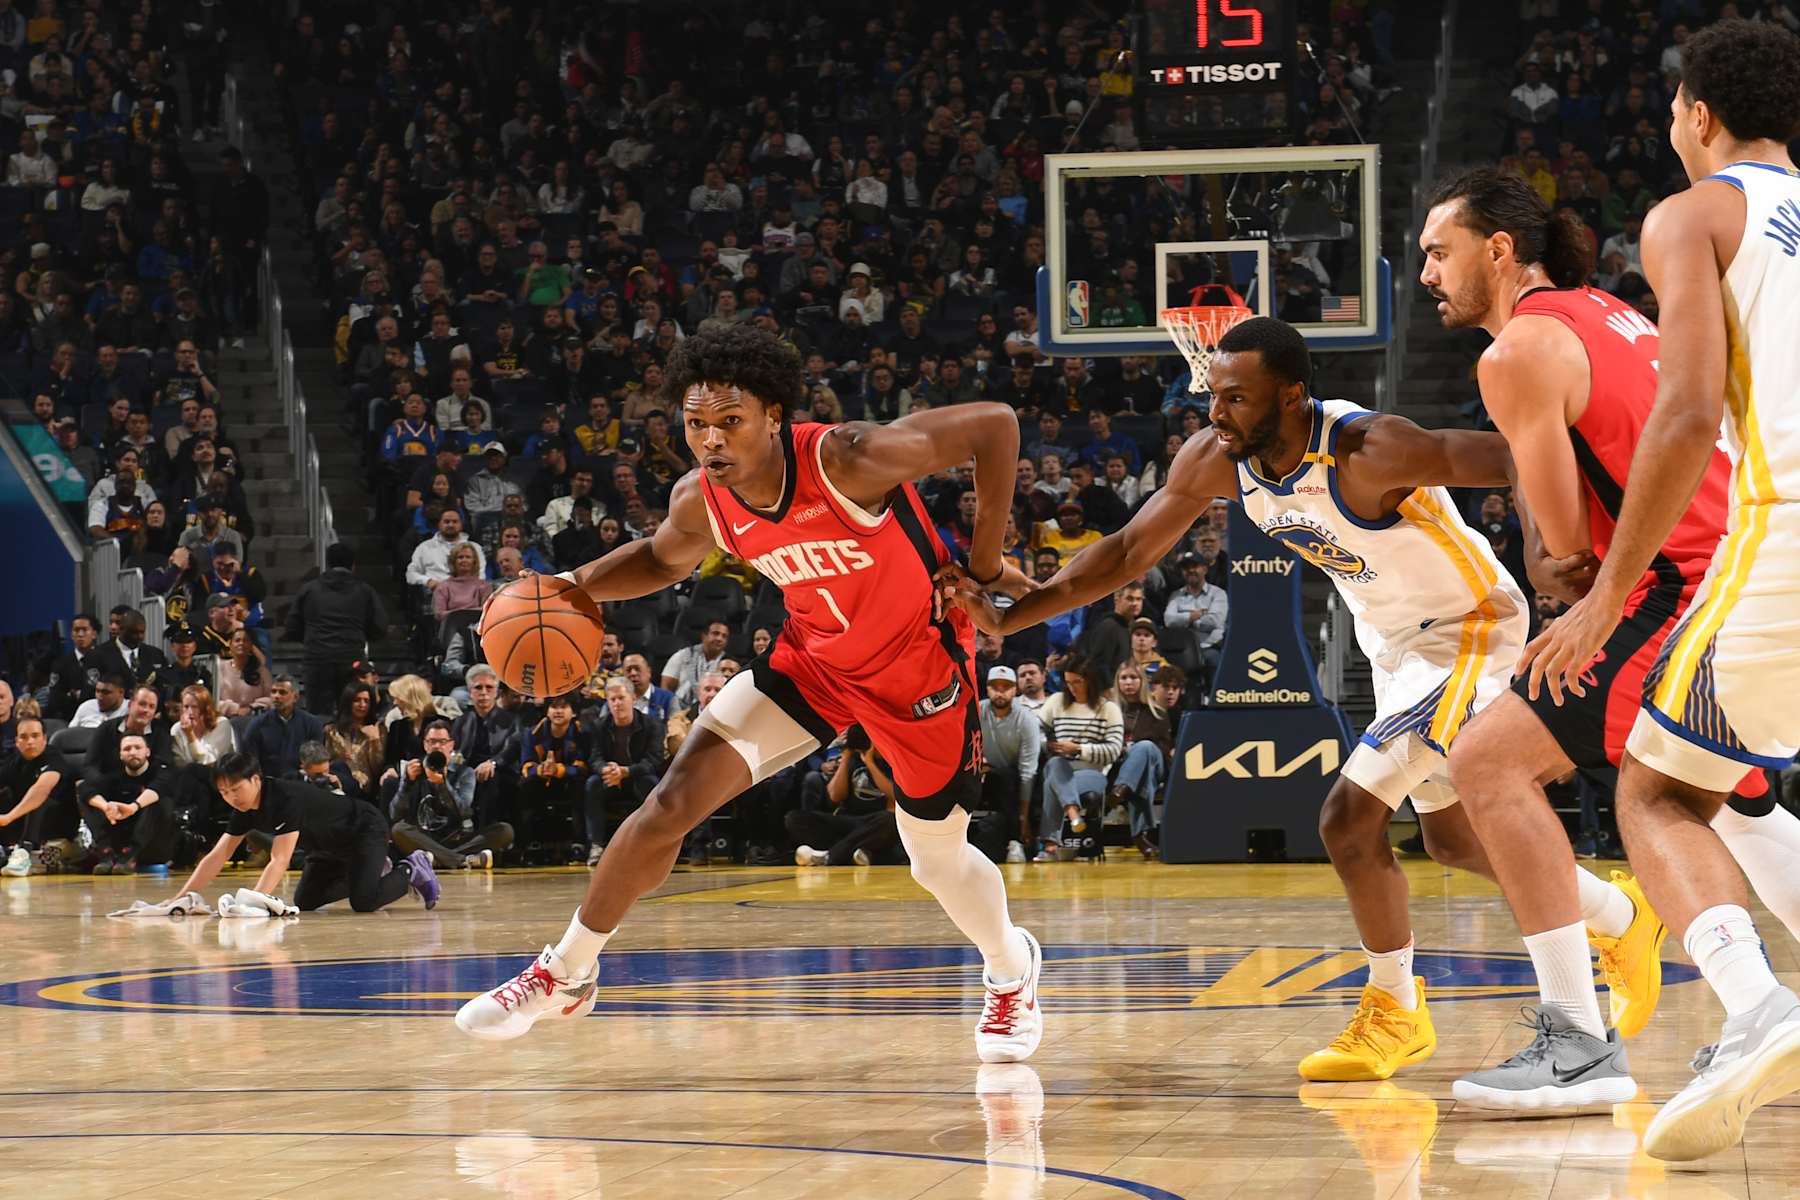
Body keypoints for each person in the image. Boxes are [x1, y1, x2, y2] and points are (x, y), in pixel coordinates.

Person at [950, 315, 1653, 1088]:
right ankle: (1620, 917)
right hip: (1393, 647)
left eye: (1236, 398)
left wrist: (1550, 551)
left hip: (1470, 629)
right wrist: (1014, 616)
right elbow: (1125, 552)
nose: (1216, 413)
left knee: (1347, 818)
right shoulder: (1217, 458)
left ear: (1290, 395)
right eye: (1214, 395)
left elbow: (1516, 453)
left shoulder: (1370, 448)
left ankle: (1398, 1010)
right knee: (1452, 842)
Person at [458, 321, 1043, 1064]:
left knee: (935, 861)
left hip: (917, 672)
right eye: (695, 423)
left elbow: (995, 426)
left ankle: (1010, 968)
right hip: (815, 664)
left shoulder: (850, 458)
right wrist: (569, 584)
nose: (710, 440)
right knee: (670, 803)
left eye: (730, 421)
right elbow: (660, 559)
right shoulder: (702, 499)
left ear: (774, 415)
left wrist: (984, 565)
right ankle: (565, 973)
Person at [1421, 155, 1800, 1107]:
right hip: (1744, 567)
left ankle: (1580, 1041)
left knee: (1487, 764)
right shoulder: (1613, 312)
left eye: (1439, 250)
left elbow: (1566, 556)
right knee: (1741, 808)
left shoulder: (1516, 354)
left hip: (1673, 588)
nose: (1426, 271)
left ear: (1498, 250)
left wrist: (1550, 557)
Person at [1503, 22, 1800, 1158]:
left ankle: (1758, 1009)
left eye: (1677, 106)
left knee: (1658, 791)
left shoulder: (1696, 214)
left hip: (1779, 534)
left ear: (1698, 114)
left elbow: (1684, 415)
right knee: (1736, 789)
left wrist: (1602, 595)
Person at [163, 752, 439, 913]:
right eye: (224, 793)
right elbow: (218, 855)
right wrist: (180, 898)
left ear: (255, 779)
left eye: (236, 789)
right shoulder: (243, 809)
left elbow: (280, 859)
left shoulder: (284, 798)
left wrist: (250, 905)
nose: (231, 798)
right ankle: (370, 871)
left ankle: (412, 867)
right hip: (326, 846)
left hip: (363, 829)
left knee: (364, 902)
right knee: (306, 901)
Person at [386, 719, 513, 870]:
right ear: (425, 745)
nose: (437, 746)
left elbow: (464, 812)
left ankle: (436, 859)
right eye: (432, 741)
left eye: (442, 742)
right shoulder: (414, 771)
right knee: (398, 830)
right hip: (424, 838)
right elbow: (395, 814)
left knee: (505, 831)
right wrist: (407, 783)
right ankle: (464, 860)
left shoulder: (464, 772)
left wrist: (443, 784)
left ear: (451, 745)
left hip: (459, 837)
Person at [284, 541, 388, 714]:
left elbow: (291, 627)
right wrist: (360, 636)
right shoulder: (365, 591)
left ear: (328, 563)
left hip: (317, 658)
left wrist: (312, 639)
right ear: (353, 565)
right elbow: (380, 626)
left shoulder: (309, 589)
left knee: (317, 713)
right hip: (351, 657)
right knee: (351, 712)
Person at [788, 724, 904, 867]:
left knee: (890, 820)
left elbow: (895, 797)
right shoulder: (852, 758)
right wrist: (846, 758)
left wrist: (870, 764)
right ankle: (854, 853)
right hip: (849, 820)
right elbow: (835, 796)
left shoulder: (891, 762)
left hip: (874, 822)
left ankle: (831, 856)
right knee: (794, 818)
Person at [582, 678, 665, 865]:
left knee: (651, 783)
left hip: (638, 776)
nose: (617, 703)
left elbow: (654, 760)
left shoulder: (652, 724)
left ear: (633, 698)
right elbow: (594, 757)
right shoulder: (599, 726)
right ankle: (596, 845)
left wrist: (626, 771)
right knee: (592, 784)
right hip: (611, 778)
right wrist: (605, 769)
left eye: (621, 698)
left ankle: (653, 845)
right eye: (612, 699)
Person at [78, 731, 176, 872]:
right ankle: (106, 851)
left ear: (147, 752)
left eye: (138, 748)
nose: (133, 752)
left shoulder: (162, 772)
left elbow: (159, 788)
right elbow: (84, 787)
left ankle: (131, 853)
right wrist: (106, 807)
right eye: (127, 749)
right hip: (120, 843)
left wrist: (133, 807)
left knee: (158, 800)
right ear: (120, 755)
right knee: (91, 798)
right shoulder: (114, 776)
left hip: (152, 844)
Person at [978, 665, 1041, 864]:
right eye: (995, 687)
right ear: (987, 689)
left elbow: (1027, 771)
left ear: (1015, 690)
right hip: (980, 774)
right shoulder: (976, 711)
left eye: (1006, 687)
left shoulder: (1027, 719)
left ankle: (1016, 839)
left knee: (1009, 777)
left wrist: (1023, 819)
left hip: (1014, 780)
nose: (1000, 692)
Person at [0, 716, 78, 870]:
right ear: (17, 741)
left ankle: (24, 853)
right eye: (24, 737)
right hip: (22, 824)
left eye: (35, 736)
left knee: (37, 801)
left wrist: (8, 817)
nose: (30, 741)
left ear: (44, 739)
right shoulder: (14, 762)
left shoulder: (53, 758)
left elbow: (41, 790)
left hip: (59, 826)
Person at [242, 676, 326, 781]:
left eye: (282, 692)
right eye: (273, 692)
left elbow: (316, 760)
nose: (276, 696)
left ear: (295, 697)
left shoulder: (312, 724)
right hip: (268, 782)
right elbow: (250, 761)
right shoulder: (257, 725)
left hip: (302, 782)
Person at [659, 619, 729, 706]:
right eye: (715, 633)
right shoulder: (682, 656)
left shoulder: (729, 663)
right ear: (704, 636)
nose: (719, 639)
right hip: (680, 709)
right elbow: (666, 686)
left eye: (724, 636)